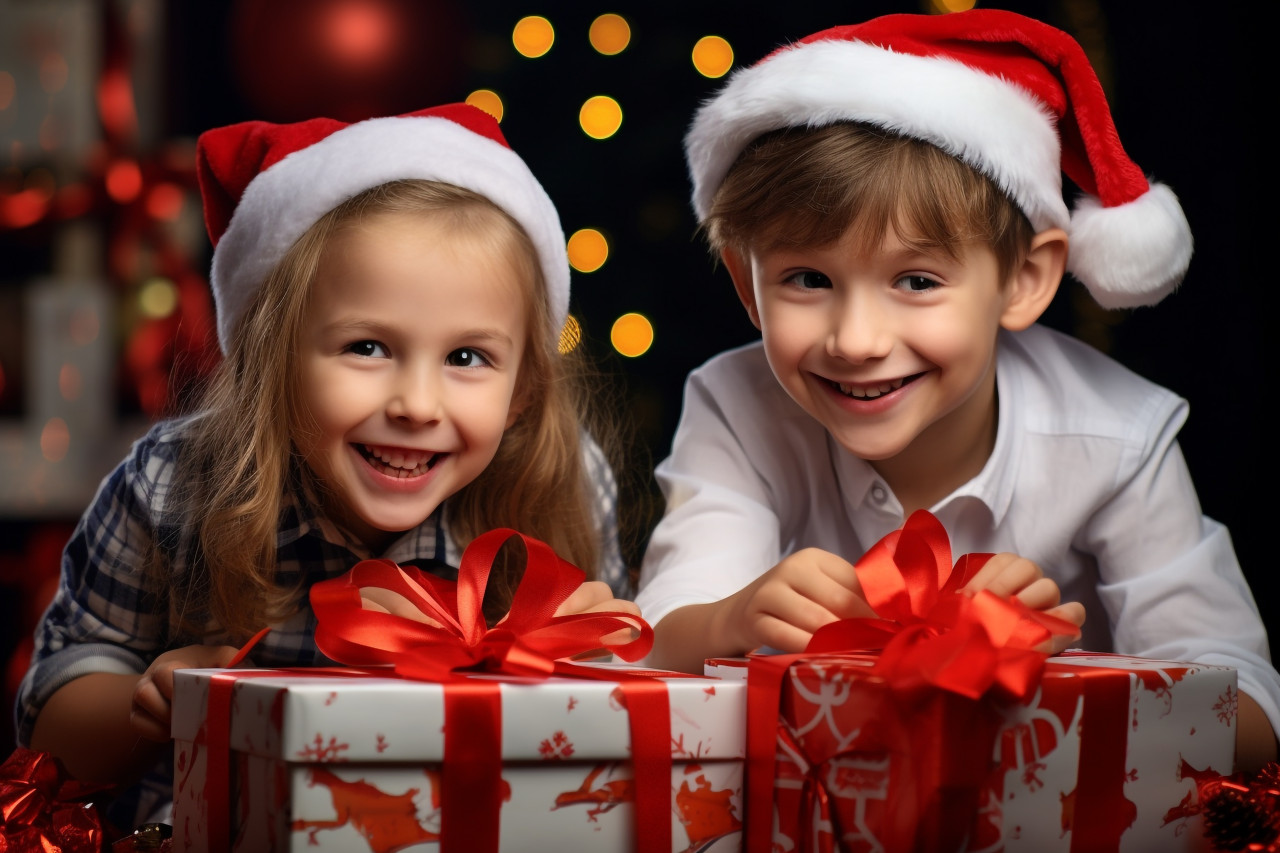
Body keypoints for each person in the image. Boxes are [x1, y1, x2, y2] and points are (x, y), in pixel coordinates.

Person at [634, 9, 1280, 771]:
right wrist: (728, 618)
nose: (856, 340)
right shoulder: (735, 406)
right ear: (749, 284)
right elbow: (651, 658)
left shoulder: (1114, 436)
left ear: (1023, 279)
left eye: (916, 280)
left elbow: (1249, 718)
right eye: (808, 279)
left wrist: (1049, 678)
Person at [14, 103, 639, 829]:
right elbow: (51, 730)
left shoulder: (559, 483)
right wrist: (146, 705)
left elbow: (602, 739)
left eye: (467, 357)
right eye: (367, 347)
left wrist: (593, 661)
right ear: (270, 359)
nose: (415, 403)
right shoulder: (173, 484)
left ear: (524, 385)